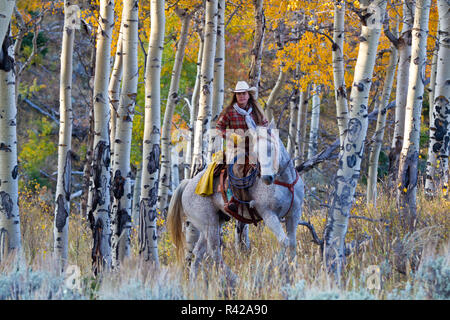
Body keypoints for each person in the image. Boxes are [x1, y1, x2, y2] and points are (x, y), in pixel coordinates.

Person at [215, 81, 269, 213]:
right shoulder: (230, 112)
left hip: (253, 145)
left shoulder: (255, 110)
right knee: (237, 168)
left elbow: (265, 124)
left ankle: (267, 197)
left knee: (266, 165)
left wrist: (262, 131)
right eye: (238, 94)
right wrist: (230, 135)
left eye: (244, 93)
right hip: (236, 147)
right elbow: (218, 128)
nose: (241, 96)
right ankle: (232, 198)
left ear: (249, 95)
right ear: (236, 96)